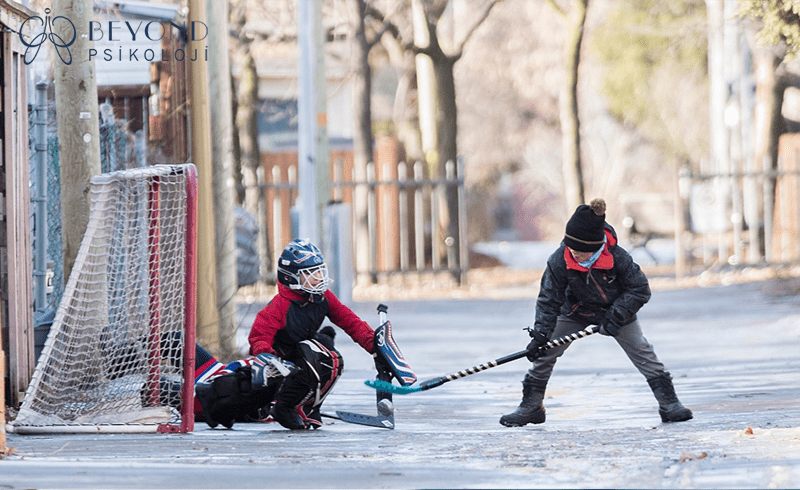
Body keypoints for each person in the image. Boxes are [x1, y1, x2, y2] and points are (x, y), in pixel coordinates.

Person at [500, 199, 693, 427]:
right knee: (545, 354)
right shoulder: (559, 259)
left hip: (617, 312)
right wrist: (541, 335)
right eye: (571, 249)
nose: (575, 254)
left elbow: (640, 289)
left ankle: (669, 404)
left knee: (642, 352)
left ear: (595, 246)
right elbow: (548, 299)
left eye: (580, 251)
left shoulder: (617, 257)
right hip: (574, 311)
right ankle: (531, 407)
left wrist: (616, 316)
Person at [195, 238, 389, 430]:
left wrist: (377, 348)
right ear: (291, 277)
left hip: (297, 364)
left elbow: (351, 323)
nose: (319, 277)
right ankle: (285, 408)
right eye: (311, 274)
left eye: (320, 271)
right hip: (277, 370)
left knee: (328, 353)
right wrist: (269, 359)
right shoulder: (280, 305)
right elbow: (258, 336)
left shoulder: (323, 297)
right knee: (315, 355)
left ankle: (305, 408)